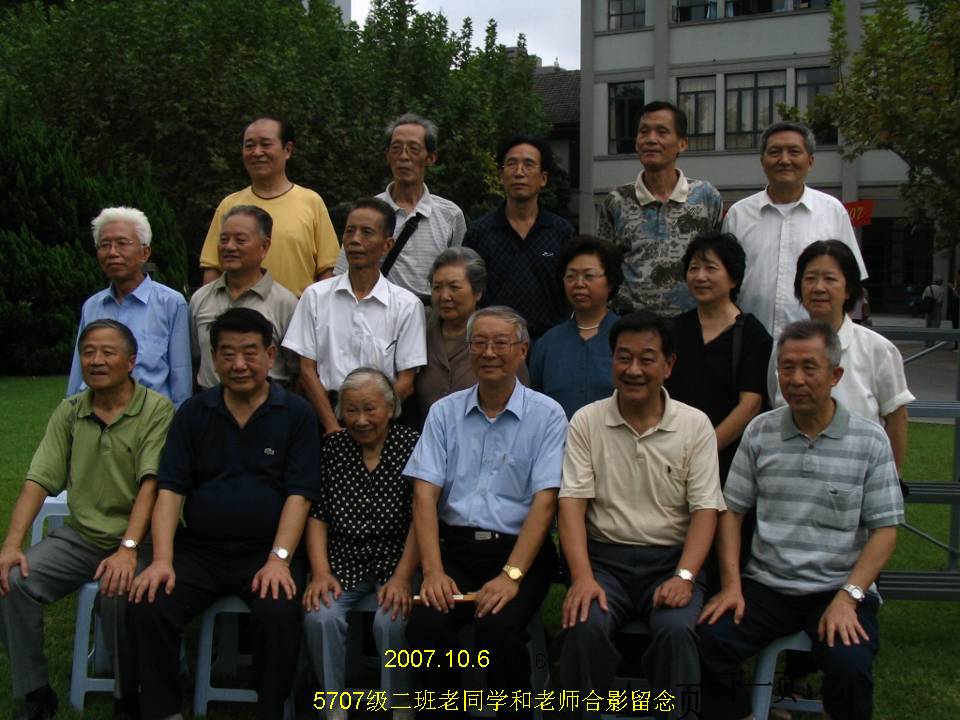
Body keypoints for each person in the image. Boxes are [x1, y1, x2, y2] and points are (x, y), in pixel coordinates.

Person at [697, 319, 904, 720]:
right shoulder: (760, 432)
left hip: (837, 585)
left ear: (835, 375)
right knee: (708, 639)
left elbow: (884, 531)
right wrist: (732, 585)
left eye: (809, 368)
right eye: (786, 367)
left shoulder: (869, 440)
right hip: (767, 585)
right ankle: (742, 712)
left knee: (849, 663)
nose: (795, 379)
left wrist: (849, 597)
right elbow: (732, 512)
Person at [128, 308, 321, 720]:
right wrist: (162, 559)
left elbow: (300, 495)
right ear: (214, 358)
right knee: (150, 601)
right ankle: (162, 710)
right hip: (200, 551)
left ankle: (270, 710)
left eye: (250, 353)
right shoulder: (194, 413)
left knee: (277, 611)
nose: (239, 365)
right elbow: (170, 489)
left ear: (270, 355)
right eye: (228, 354)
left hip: (266, 550)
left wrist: (279, 559)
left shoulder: (296, 414)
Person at [1, 320, 173, 720]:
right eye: (88, 352)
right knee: (11, 581)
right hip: (81, 537)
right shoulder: (70, 411)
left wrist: (128, 549)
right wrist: (11, 544)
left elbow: (151, 484)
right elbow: (38, 480)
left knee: (120, 591)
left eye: (108, 352)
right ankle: (36, 690)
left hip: (141, 538)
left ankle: (129, 694)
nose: (96, 360)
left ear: (131, 361)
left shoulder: (156, 410)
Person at [558, 311, 724, 720]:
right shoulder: (587, 421)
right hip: (604, 562)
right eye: (623, 357)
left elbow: (705, 510)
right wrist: (581, 577)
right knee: (584, 624)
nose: (633, 370)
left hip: (670, 562)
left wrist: (685, 576)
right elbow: (572, 504)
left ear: (668, 365)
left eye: (647, 359)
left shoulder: (695, 425)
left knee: (678, 633)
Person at [403, 307, 567, 718]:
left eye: (500, 343)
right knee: (425, 625)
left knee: (497, 629)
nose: (489, 352)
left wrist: (511, 576)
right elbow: (424, 495)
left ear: (522, 351)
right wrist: (433, 571)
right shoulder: (444, 412)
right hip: (456, 551)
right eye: (479, 343)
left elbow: (546, 502)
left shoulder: (547, 415)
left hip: (520, 553)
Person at [302, 368, 420, 720]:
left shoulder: (412, 444)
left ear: (390, 408)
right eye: (351, 410)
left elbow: (421, 518)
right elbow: (318, 515)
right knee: (320, 615)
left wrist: (403, 577)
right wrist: (320, 572)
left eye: (370, 409)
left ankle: (400, 707)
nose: (361, 419)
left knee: (392, 621)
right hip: (343, 560)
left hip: (397, 560)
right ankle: (333, 708)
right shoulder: (333, 448)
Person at [283, 198, 427, 436]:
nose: (355, 240)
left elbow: (406, 381)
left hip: (383, 424)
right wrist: (332, 426)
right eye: (350, 231)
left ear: (387, 244)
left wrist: (371, 418)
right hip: (325, 417)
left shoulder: (407, 305)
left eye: (366, 232)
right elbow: (307, 371)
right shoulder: (315, 296)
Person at [723, 120, 867, 341]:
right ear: (762, 161)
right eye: (775, 152)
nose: (784, 160)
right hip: (750, 344)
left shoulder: (833, 212)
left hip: (815, 346)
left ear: (810, 161)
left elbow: (850, 282)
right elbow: (724, 285)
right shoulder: (738, 215)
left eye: (794, 151)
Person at [775, 240, 913, 470]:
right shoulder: (784, 348)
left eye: (830, 279)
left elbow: (897, 419)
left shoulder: (878, 349)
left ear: (849, 289)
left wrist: (891, 480)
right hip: (793, 477)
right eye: (810, 278)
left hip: (860, 478)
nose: (819, 288)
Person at [598, 100, 722, 315]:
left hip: (692, 324)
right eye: (644, 132)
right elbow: (604, 268)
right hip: (631, 325)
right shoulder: (616, 200)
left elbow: (720, 263)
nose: (651, 139)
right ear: (636, 142)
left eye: (662, 132)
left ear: (682, 143)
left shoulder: (706, 197)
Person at [665, 232, 772, 483]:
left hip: (728, 460)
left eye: (711, 268)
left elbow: (750, 405)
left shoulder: (752, 334)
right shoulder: (673, 329)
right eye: (693, 268)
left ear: (733, 278)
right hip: (672, 456)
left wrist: (704, 450)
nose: (700, 276)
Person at [199, 115, 339, 296]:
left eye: (265, 144)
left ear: (287, 150)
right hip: (238, 310)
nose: (257, 152)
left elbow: (327, 270)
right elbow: (212, 266)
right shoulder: (230, 205)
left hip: (298, 310)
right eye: (249, 146)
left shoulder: (311, 202)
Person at [333, 113, 466, 300]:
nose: (404, 157)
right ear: (388, 156)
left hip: (433, 312)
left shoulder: (450, 215)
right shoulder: (368, 212)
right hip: (378, 308)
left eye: (413, 149)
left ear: (431, 157)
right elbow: (342, 273)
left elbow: (460, 274)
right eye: (396, 148)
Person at [68, 207, 191, 407]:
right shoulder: (92, 306)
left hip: (150, 418)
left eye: (122, 244)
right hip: (97, 415)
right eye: (104, 245)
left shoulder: (171, 304)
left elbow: (181, 376)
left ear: (144, 252)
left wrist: (179, 421)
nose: (112, 252)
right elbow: (78, 373)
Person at [464, 135, 576, 340]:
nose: (519, 172)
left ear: (543, 178)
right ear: (501, 175)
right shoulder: (479, 232)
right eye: (511, 164)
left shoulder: (561, 232)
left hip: (549, 341)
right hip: (494, 343)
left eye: (528, 164)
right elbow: (469, 289)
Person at [413, 247, 527, 426]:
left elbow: (523, 402)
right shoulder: (419, 330)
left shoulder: (501, 338)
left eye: (454, 287)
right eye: (437, 287)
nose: (444, 296)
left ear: (477, 292)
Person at [189, 205, 299, 389]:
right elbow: (194, 358)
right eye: (224, 239)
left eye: (240, 240)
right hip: (211, 401)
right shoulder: (200, 298)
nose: (229, 247)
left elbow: (297, 370)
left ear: (264, 246)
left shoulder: (285, 303)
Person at [529, 235, 623, 419]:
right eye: (571, 276)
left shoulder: (627, 336)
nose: (579, 284)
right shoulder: (547, 343)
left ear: (610, 282)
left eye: (589, 276)